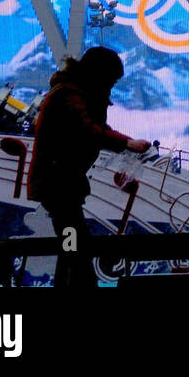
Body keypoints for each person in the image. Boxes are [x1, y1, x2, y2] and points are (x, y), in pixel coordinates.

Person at [28, 47, 150, 288]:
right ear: (100, 75)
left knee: (71, 246)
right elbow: (86, 128)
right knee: (76, 245)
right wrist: (126, 143)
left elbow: (94, 129)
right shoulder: (68, 96)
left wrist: (125, 143)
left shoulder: (73, 93)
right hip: (59, 184)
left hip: (63, 184)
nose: (112, 87)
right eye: (111, 81)